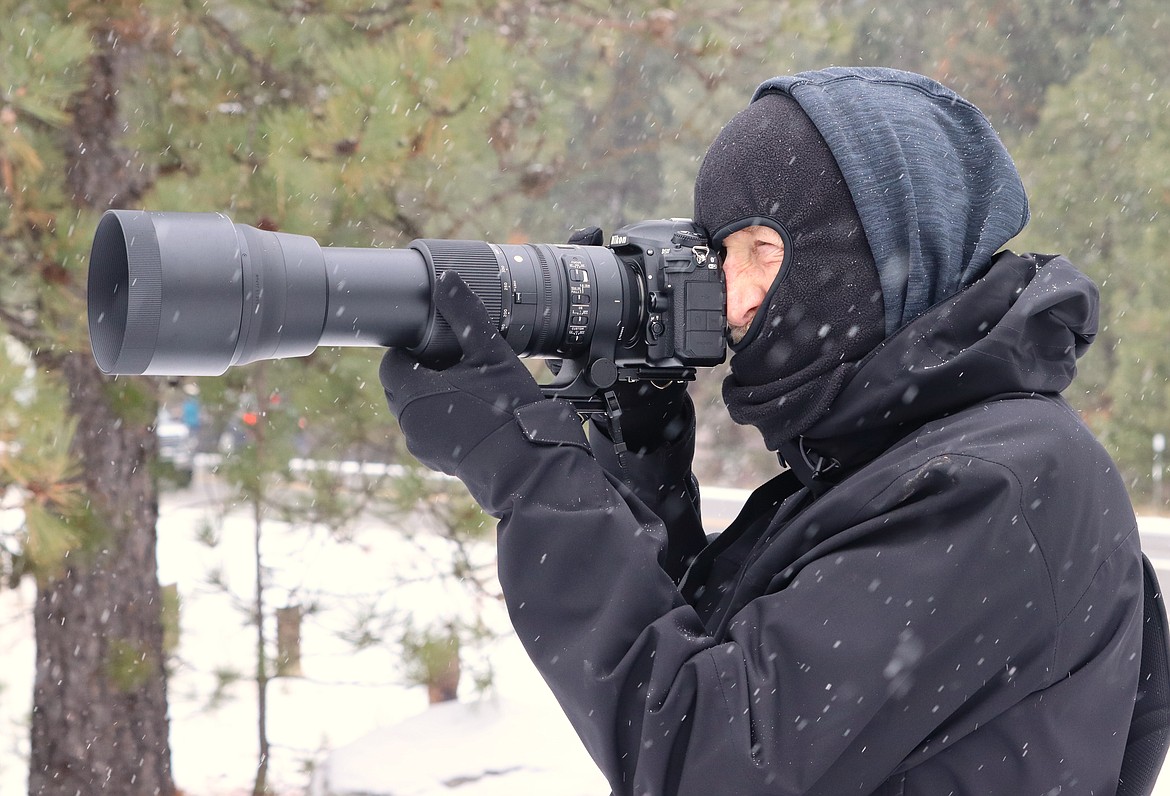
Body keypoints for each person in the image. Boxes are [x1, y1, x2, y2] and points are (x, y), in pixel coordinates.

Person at [379, 67, 1156, 795]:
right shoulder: (891, 463)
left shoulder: (1001, 486)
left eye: (767, 250)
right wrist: (643, 475)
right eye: (722, 254)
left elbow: (707, 752)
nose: (738, 299)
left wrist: (526, 469)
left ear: (887, 257)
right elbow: (739, 678)